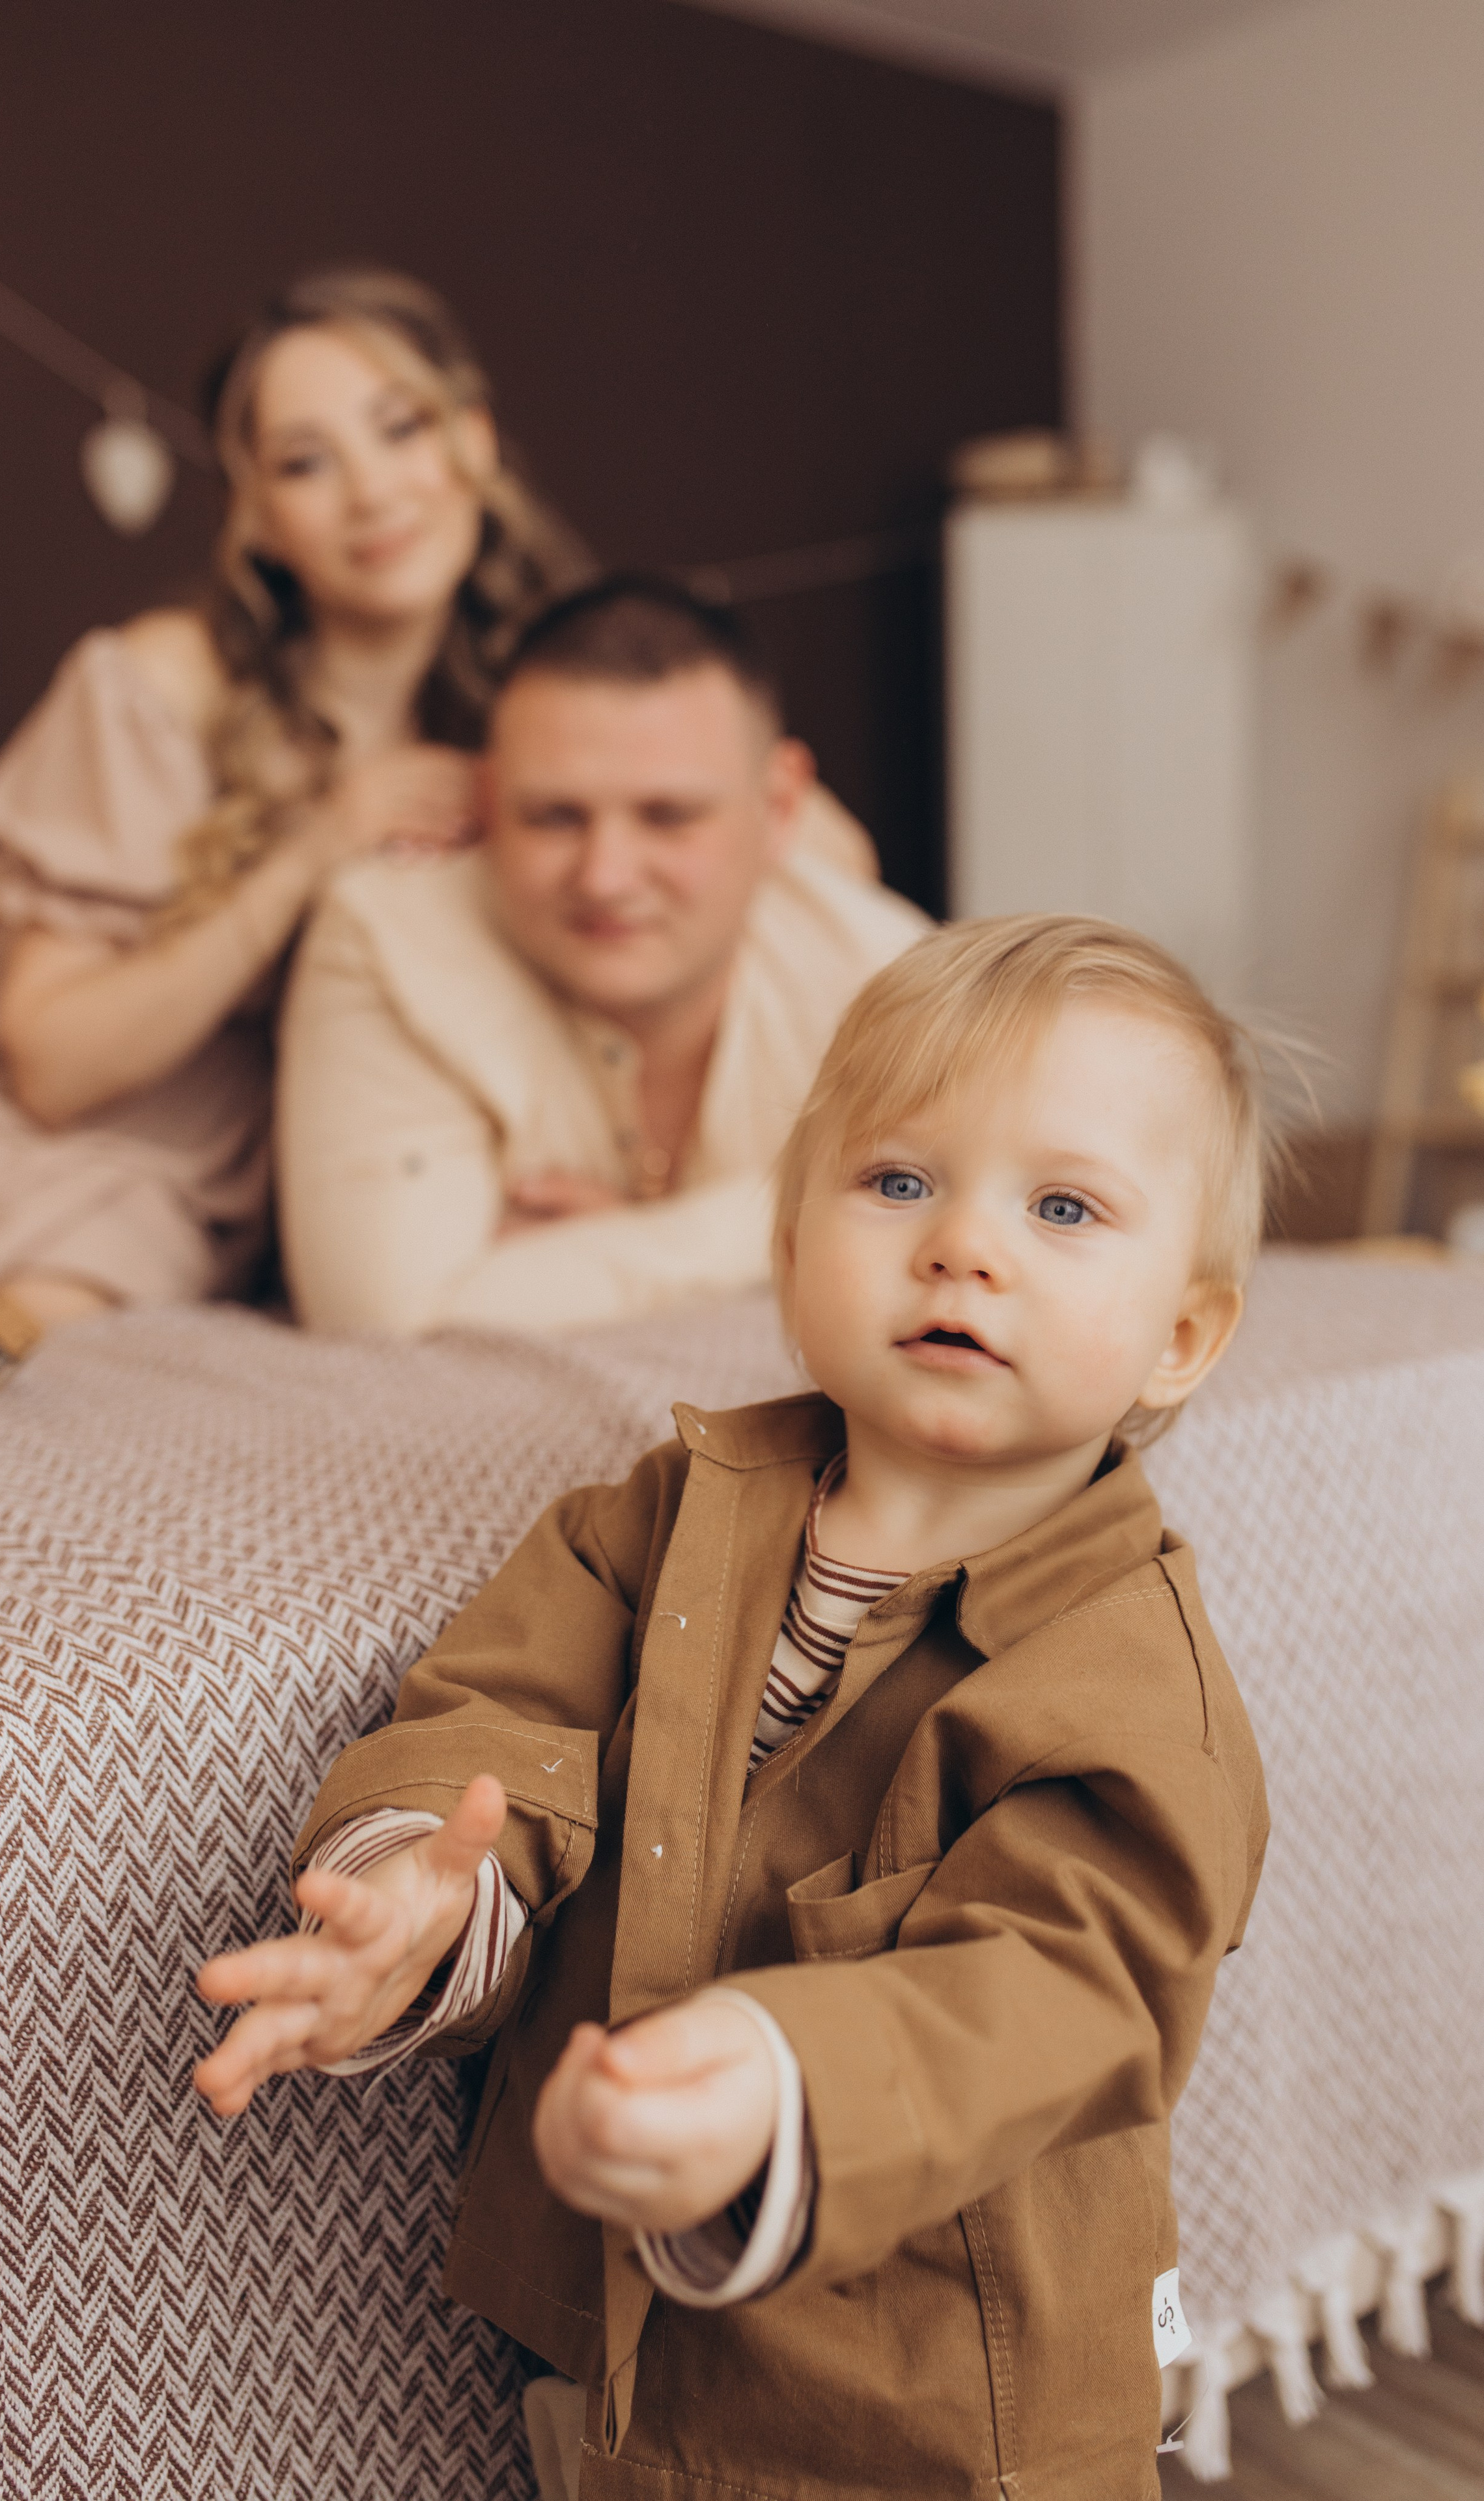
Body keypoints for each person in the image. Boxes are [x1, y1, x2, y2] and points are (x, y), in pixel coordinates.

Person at [195, 914, 1270, 2500]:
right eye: (898, 1181)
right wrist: (427, 1881)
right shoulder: (656, 1511)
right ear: (787, 1246)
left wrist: (777, 2074)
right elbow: (502, 1714)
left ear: (1177, 1334)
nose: (962, 1244)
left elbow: (1060, 1982)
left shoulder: (1123, 1677)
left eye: (1060, 1206)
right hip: (616, 2334)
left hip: (923, 2393)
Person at [0, 266, 587, 1344]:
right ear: (261, 519)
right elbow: (50, 1069)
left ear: (477, 441)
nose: (373, 492)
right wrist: (313, 849)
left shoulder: (523, 729)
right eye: (309, 462)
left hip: (176, 1166)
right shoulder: (163, 683)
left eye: (401, 428)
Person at [277, 574, 923, 1336]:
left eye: (667, 816)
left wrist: (633, 1242)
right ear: (486, 804)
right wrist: (794, 1226)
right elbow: (385, 1315)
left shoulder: (892, 978)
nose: (605, 877)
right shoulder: (385, 939)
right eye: (554, 817)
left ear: (778, 810)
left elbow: (958, 1245)